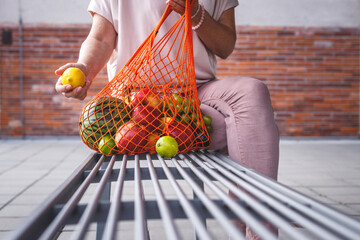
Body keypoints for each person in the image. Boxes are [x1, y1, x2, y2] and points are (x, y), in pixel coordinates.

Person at [55, 0, 279, 237]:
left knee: (253, 92)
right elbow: (100, 38)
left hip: (196, 93)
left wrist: (195, 14)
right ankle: (242, 217)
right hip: (135, 107)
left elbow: (225, 46)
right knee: (243, 129)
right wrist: (85, 70)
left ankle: (256, 230)